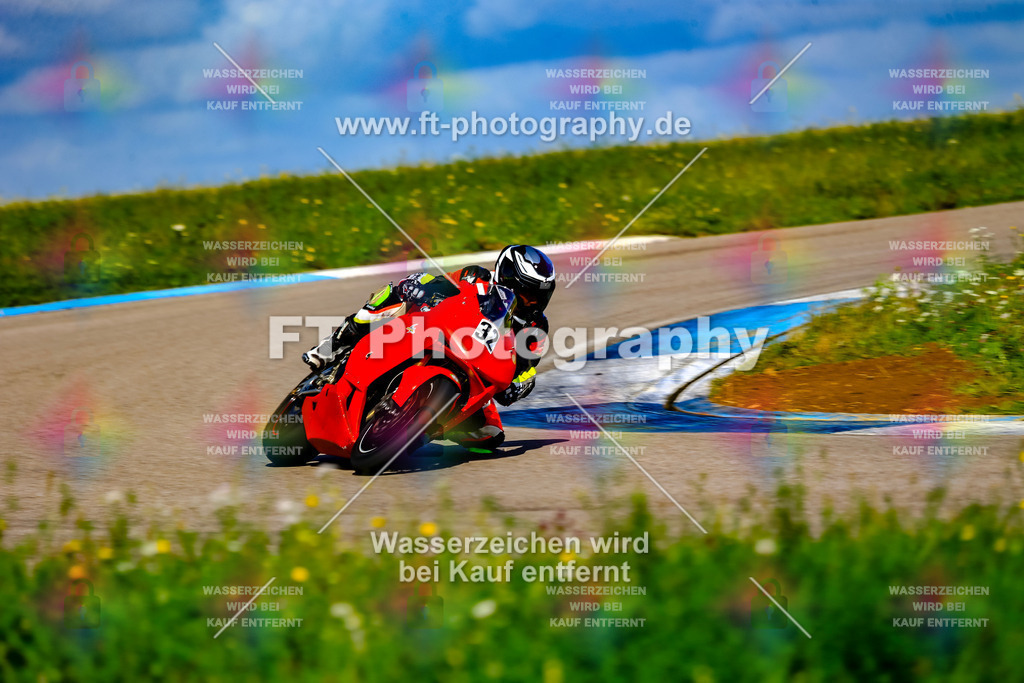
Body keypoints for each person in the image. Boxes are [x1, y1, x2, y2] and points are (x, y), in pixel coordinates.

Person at [302, 244, 556, 451]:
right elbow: (441, 285)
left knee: (490, 435)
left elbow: (524, 367)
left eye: (539, 296)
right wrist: (424, 291)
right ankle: (335, 344)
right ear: (508, 277)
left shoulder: (536, 326)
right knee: (396, 291)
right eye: (527, 293)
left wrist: (521, 385)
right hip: (433, 331)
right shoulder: (476, 276)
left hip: (473, 372)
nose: (533, 302)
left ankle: (422, 424)